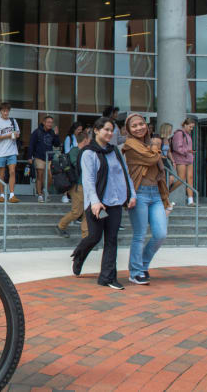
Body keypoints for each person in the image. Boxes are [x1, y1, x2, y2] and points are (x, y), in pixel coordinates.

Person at [70, 118, 136, 290]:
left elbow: (125, 174)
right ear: (97, 131)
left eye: (111, 130)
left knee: (112, 239)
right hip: (97, 203)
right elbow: (89, 180)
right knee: (94, 237)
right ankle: (79, 255)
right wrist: (95, 202)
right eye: (106, 129)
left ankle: (107, 277)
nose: (109, 133)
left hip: (115, 201)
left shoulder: (114, 151)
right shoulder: (88, 153)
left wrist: (131, 194)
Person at [122, 113, 170, 285]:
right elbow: (152, 158)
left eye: (141, 124)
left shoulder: (148, 144)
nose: (138, 128)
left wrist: (165, 199)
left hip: (156, 194)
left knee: (160, 234)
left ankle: (142, 265)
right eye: (133, 126)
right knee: (139, 235)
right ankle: (135, 272)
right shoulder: (129, 144)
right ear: (128, 130)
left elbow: (159, 170)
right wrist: (157, 146)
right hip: (139, 193)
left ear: (146, 125)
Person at [56, 131, 90, 238]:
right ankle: (61, 226)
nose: (90, 142)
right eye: (89, 140)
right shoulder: (75, 151)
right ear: (85, 140)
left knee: (86, 213)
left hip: (84, 186)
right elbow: (78, 166)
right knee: (77, 212)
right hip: (77, 186)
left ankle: (86, 237)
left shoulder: (81, 151)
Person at [0, 102, 21, 203]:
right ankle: (2, 195)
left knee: (12, 171)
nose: (6, 112)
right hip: (0, 152)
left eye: (7, 110)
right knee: (2, 174)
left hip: (12, 151)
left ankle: (12, 195)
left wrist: (15, 135)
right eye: (4, 111)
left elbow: (17, 134)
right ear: (0, 111)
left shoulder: (13, 121)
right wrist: (7, 135)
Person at [27, 115, 60, 203]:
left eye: (51, 122)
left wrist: (56, 135)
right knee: (40, 176)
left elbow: (56, 144)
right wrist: (29, 156)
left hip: (48, 158)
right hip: (39, 157)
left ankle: (45, 190)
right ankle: (40, 194)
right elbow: (31, 145)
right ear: (44, 122)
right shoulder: (37, 132)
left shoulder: (52, 133)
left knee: (50, 177)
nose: (50, 124)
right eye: (48, 122)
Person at [170, 118, 196, 206]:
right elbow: (177, 147)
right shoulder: (179, 133)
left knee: (190, 178)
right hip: (180, 159)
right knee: (181, 179)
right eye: (190, 127)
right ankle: (165, 192)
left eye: (192, 127)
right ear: (185, 125)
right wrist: (187, 151)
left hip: (188, 158)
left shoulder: (187, 134)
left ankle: (190, 200)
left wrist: (189, 152)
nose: (191, 129)